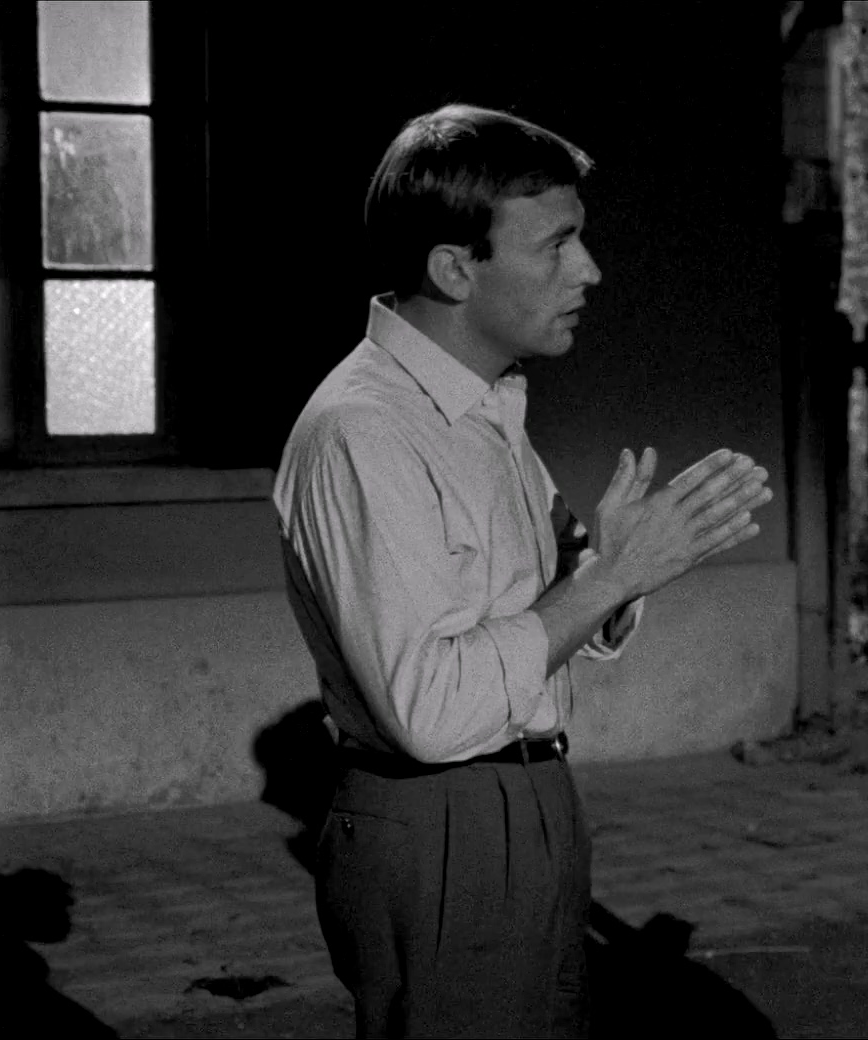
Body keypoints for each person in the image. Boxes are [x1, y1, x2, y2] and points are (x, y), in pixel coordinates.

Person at [272, 103, 772, 1038]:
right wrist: (605, 580)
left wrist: (608, 567)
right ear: (455, 268)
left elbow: (536, 612)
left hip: (520, 801)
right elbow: (428, 710)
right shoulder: (366, 432)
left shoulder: (480, 405)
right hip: (447, 821)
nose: (589, 270)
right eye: (557, 245)